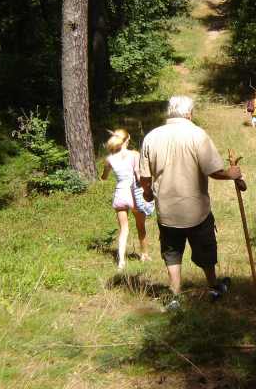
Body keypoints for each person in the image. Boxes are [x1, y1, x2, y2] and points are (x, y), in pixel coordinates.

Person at [140, 96, 243, 310]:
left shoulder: (152, 137)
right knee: (205, 250)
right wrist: (231, 173)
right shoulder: (197, 134)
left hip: (167, 210)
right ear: (189, 113)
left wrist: (148, 193)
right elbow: (213, 171)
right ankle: (213, 287)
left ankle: (175, 295)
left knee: (171, 251)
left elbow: (144, 177)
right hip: (196, 210)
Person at [101, 129, 150, 270]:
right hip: (133, 193)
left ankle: (121, 261)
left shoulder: (109, 159)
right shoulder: (134, 154)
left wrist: (106, 173)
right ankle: (144, 254)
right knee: (140, 226)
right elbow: (138, 175)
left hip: (120, 194)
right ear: (126, 140)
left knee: (124, 229)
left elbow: (104, 177)